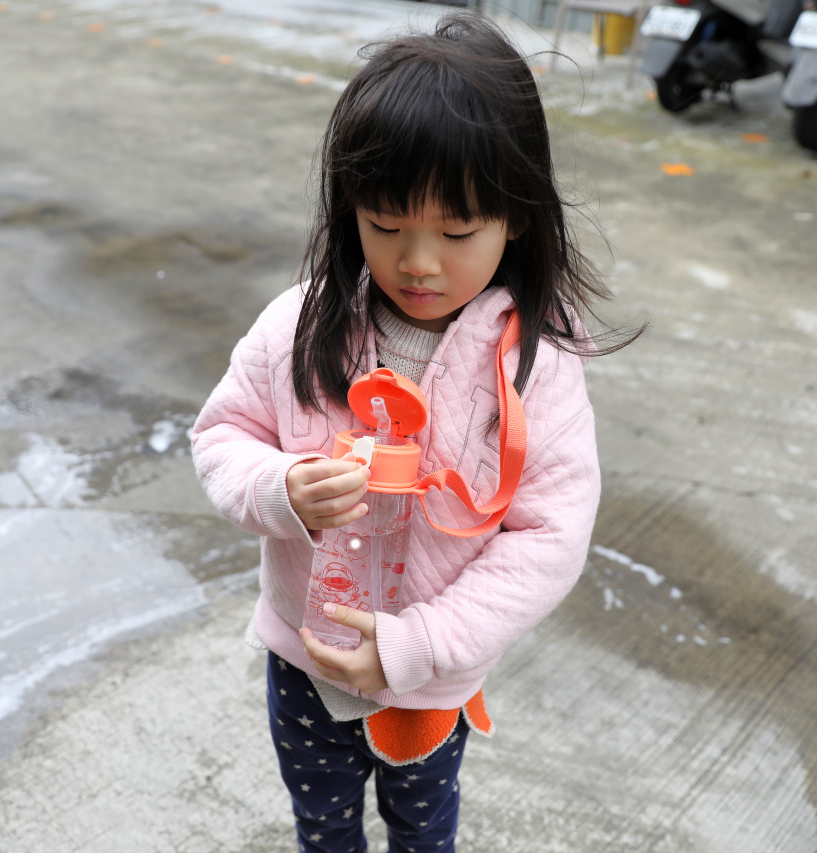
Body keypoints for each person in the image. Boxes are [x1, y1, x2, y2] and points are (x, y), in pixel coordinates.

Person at [191, 13, 641, 852]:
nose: (418, 261)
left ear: (519, 217)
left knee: (423, 821)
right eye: (386, 225)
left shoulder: (531, 366)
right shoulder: (300, 325)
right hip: (304, 654)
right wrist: (279, 488)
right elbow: (222, 435)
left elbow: (548, 534)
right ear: (347, 208)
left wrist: (423, 644)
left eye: (457, 231)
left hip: (432, 674)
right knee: (320, 819)